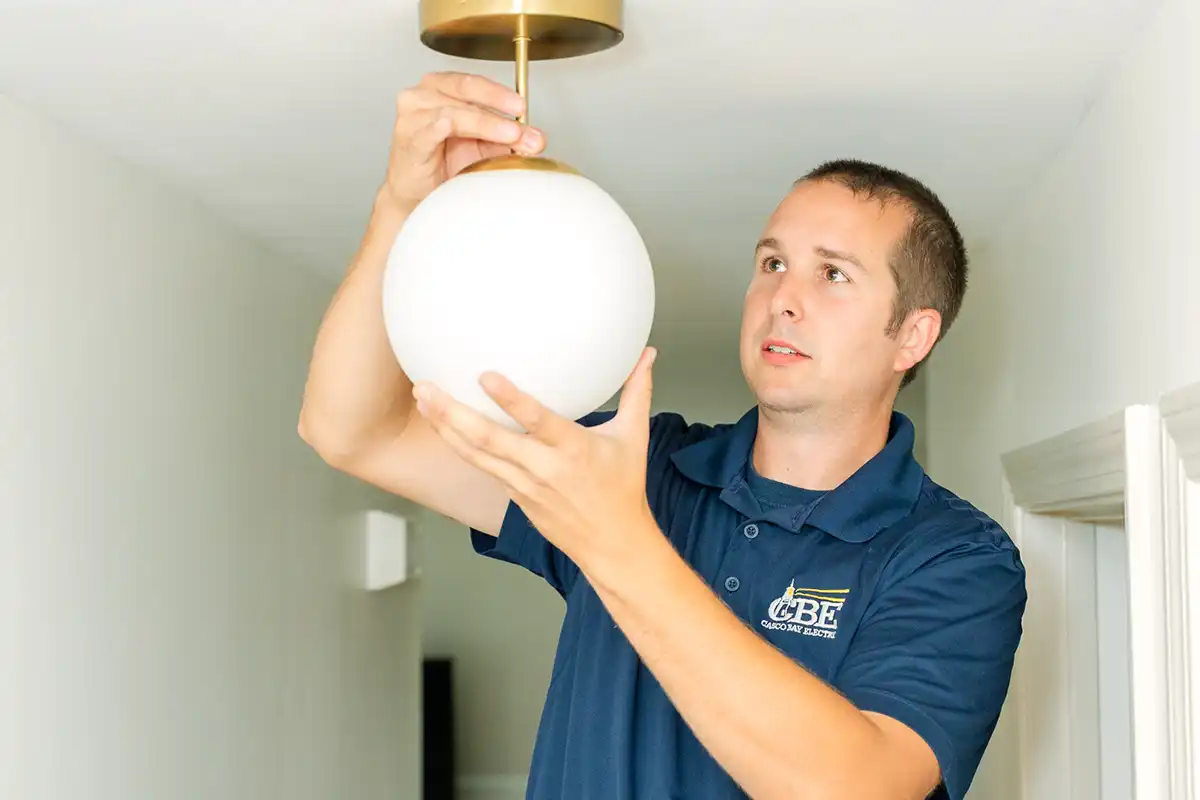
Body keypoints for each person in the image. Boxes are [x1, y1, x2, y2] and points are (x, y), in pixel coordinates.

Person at [298, 70, 1027, 800]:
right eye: (773, 263)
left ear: (913, 335)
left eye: (833, 275)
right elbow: (353, 430)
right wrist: (401, 204)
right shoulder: (638, 467)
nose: (784, 300)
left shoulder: (956, 557)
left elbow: (855, 787)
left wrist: (618, 540)